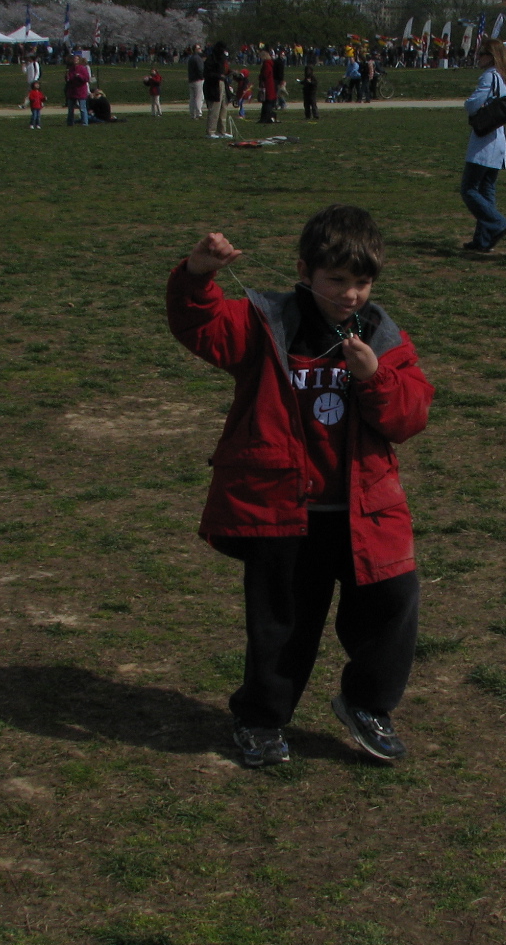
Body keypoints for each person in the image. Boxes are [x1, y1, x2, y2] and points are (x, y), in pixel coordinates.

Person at [165, 206, 434, 768]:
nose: (350, 295)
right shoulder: (268, 323)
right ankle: (261, 719)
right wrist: (197, 274)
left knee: (393, 601)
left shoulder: (381, 335)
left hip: (364, 509)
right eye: (336, 280)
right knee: (283, 625)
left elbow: (409, 418)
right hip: (284, 511)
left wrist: (374, 377)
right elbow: (201, 327)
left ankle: (367, 705)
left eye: (362, 283)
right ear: (304, 272)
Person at [459, 38, 506, 252]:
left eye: (482, 53)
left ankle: (497, 223)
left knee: (469, 189)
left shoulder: (489, 76)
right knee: (486, 190)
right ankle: (483, 240)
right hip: (497, 141)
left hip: (485, 142)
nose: (478, 57)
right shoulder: (501, 78)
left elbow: (474, 104)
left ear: (491, 56)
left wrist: (468, 105)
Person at [205, 43, 231, 139]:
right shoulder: (211, 59)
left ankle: (222, 131)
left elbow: (225, 70)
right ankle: (211, 131)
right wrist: (218, 76)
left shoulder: (222, 59)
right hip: (214, 86)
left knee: (223, 108)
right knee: (214, 110)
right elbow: (207, 74)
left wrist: (230, 72)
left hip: (223, 84)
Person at [65, 56, 91, 126]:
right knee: (70, 109)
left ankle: (85, 123)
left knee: (82, 108)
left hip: (81, 90)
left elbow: (87, 79)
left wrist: (79, 76)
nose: (75, 60)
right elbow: (69, 79)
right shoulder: (71, 69)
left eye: (77, 59)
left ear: (79, 60)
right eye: (74, 59)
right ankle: (70, 123)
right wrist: (67, 78)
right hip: (72, 91)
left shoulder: (82, 68)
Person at [258, 47, 278, 124]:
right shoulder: (269, 64)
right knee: (266, 103)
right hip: (269, 85)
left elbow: (265, 75)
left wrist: (261, 77)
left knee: (267, 103)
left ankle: (266, 118)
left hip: (267, 85)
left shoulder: (266, 64)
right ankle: (265, 117)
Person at [186, 44, 205, 119]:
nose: (200, 49)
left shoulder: (191, 58)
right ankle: (198, 113)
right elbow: (200, 70)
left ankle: (192, 114)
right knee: (199, 97)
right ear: (196, 50)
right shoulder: (198, 58)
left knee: (192, 98)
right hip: (198, 80)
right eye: (199, 48)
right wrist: (202, 77)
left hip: (191, 80)